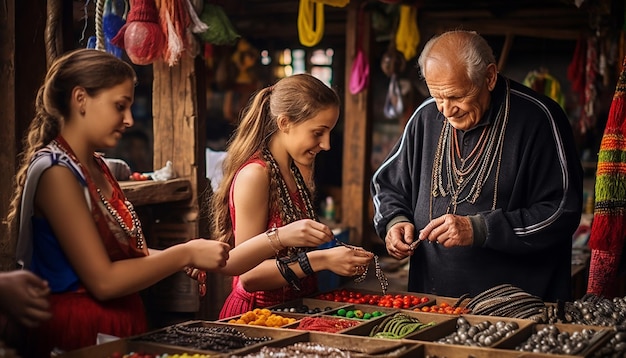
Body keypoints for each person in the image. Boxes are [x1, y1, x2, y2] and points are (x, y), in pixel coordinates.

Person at [4, 49, 335, 356]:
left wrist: (179, 259)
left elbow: (121, 254)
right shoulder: (57, 174)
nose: (130, 119)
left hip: (117, 325)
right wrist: (185, 253)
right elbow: (103, 280)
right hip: (76, 332)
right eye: (120, 106)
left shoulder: (96, 166)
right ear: (80, 99)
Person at [371, 30, 583, 303]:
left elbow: (562, 211)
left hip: (518, 305)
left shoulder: (540, 118)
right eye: (438, 96)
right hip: (433, 300)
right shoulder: (425, 117)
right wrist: (395, 222)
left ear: (490, 77)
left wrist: (482, 229)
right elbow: (387, 184)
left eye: (457, 96)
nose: (446, 110)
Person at [212, 73, 374, 319]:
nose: (327, 144)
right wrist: (321, 260)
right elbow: (249, 276)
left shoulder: (297, 170)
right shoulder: (256, 175)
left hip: (294, 312)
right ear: (285, 123)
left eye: (329, 132)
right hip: (257, 317)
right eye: (318, 132)